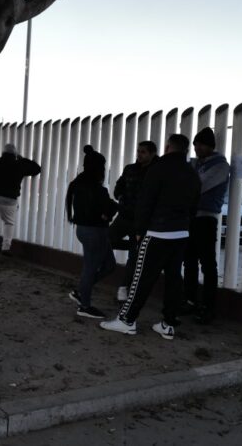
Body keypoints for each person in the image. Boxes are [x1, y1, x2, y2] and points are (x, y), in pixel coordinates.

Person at [100, 134, 201, 340]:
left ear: (167, 147)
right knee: (174, 279)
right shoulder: (192, 173)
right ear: (186, 150)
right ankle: (168, 324)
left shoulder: (159, 169)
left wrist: (139, 230)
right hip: (181, 233)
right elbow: (194, 204)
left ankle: (127, 320)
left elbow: (146, 201)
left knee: (141, 277)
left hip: (157, 232)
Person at [65, 145, 119, 319]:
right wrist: (113, 207)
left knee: (108, 265)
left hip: (85, 230)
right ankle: (84, 305)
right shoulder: (97, 190)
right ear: (100, 168)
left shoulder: (77, 184)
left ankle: (81, 292)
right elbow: (105, 211)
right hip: (95, 232)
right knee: (91, 269)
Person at [183, 127, 230, 324]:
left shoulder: (220, 166)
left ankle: (208, 307)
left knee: (208, 264)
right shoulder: (195, 164)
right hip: (191, 218)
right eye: (195, 144)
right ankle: (190, 300)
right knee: (190, 261)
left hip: (206, 219)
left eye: (200, 144)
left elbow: (197, 186)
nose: (196, 147)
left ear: (211, 146)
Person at [0, 143, 42, 264]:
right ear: (15, 154)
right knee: (9, 223)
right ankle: (6, 247)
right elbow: (37, 169)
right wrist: (22, 158)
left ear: (2, 153)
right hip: (10, 200)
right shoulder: (19, 165)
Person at [110, 141, 158, 302]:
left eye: (143, 152)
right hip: (124, 216)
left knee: (134, 256)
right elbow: (119, 185)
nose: (139, 154)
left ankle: (124, 287)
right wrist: (120, 195)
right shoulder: (130, 168)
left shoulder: (157, 170)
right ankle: (132, 247)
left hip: (142, 221)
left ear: (152, 153)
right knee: (107, 240)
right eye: (138, 151)